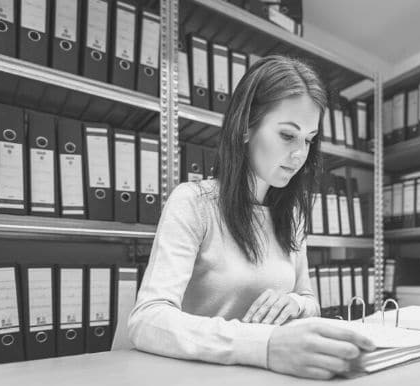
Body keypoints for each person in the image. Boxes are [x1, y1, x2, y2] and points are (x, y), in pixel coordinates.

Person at [128, 55, 375, 380]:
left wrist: (295, 305)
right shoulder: (193, 203)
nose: (300, 154)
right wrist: (265, 345)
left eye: (309, 139)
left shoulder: (293, 215)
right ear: (245, 128)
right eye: (288, 135)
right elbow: (147, 319)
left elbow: (309, 299)